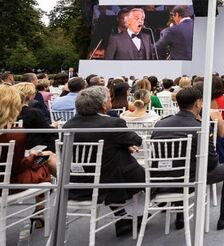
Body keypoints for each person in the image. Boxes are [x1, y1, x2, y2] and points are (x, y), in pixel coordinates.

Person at [153, 86, 224, 230]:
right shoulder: (200, 128)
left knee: (182, 164)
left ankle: (181, 215)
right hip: (190, 178)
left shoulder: (160, 124)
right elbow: (212, 162)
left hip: (161, 178)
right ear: (197, 103)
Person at [63, 86, 144, 237]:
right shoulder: (112, 124)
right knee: (126, 161)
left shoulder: (67, 126)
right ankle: (162, 198)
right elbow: (137, 140)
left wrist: (121, 145)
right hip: (108, 182)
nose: (111, 100)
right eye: (109, 98)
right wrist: (125, 145)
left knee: (113, 153)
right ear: (103, 105)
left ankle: (122, 216)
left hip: (75, 181)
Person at [0, 85, 56, 232]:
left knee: (45, 158)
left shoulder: (13, 134)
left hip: (8, 176)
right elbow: (18, 167)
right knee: (43, 165)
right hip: (10, 182)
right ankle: (41, 209)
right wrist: (32, 156)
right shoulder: (15, 134)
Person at [14, 83, 58, 151]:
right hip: (35, 147)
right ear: (30, 96)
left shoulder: (9, 112)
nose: (35, 94)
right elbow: (47, 131)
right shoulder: (34, 112)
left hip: (16, 146)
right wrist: (53, 127)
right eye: (34, 93)